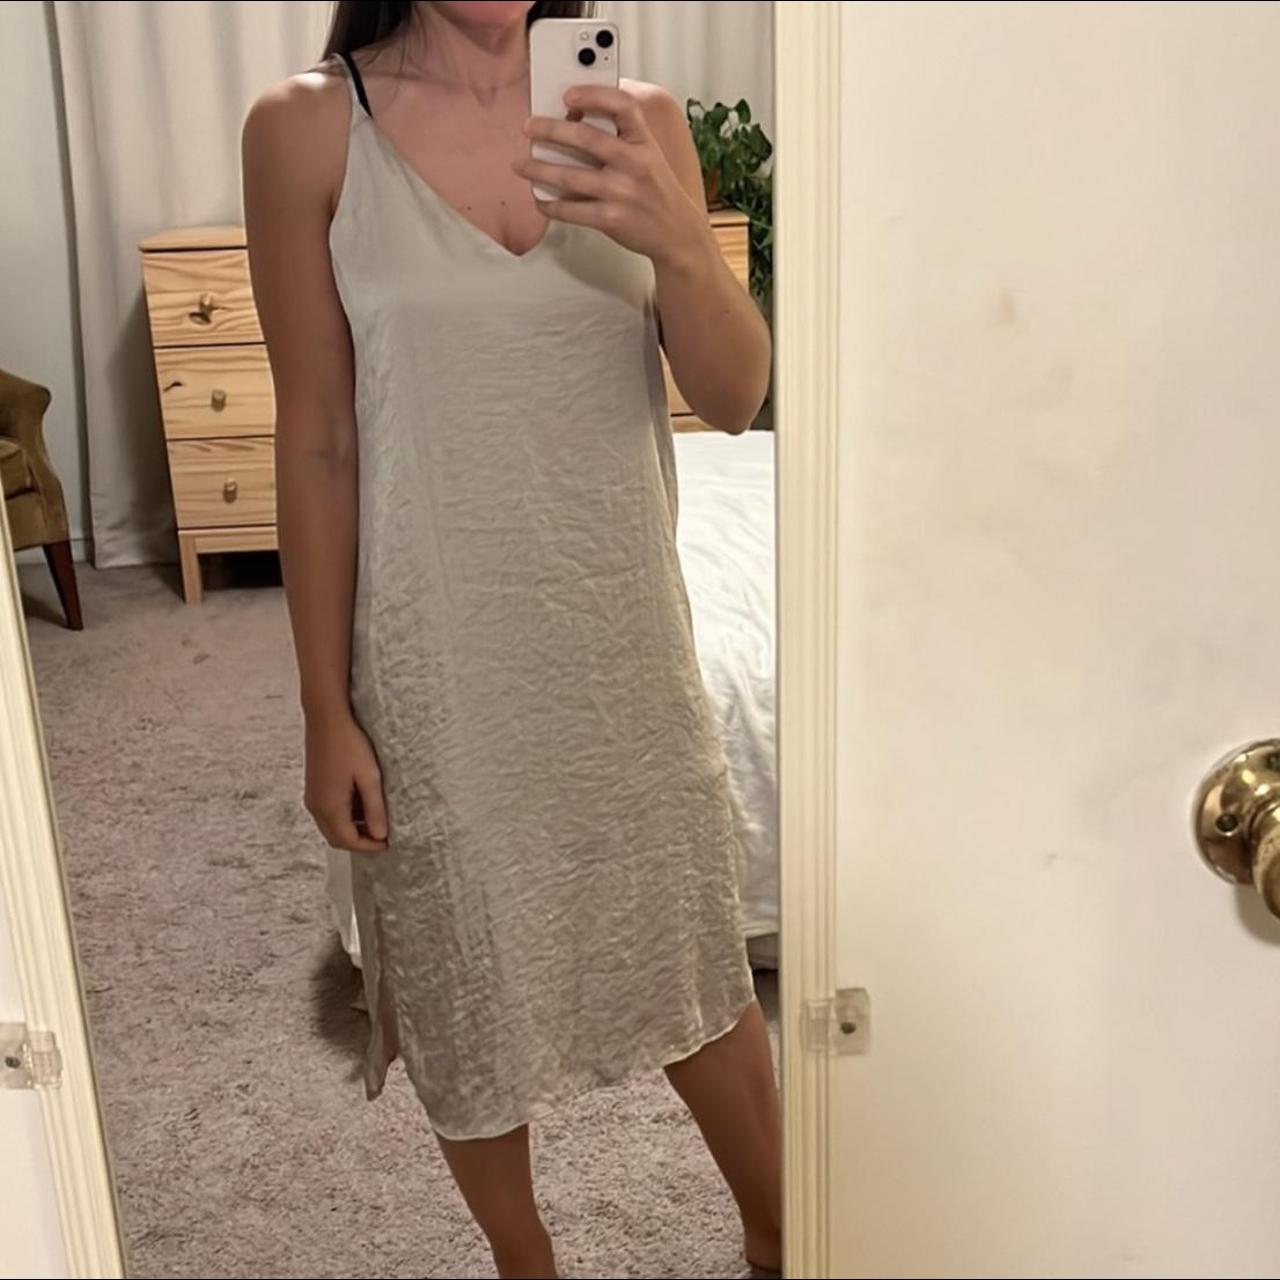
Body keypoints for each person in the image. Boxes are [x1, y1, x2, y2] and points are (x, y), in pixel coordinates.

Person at [241, 3, 777, 1276]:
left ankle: (779, 1229)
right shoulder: (306, 130)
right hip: (433, 656)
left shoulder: (635, 120)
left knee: (688, 948)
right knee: (463, 965)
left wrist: (678, 244)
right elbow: (317, 437)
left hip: (621, 639)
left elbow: (735, 395)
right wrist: (323, 705)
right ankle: (522, 1258)